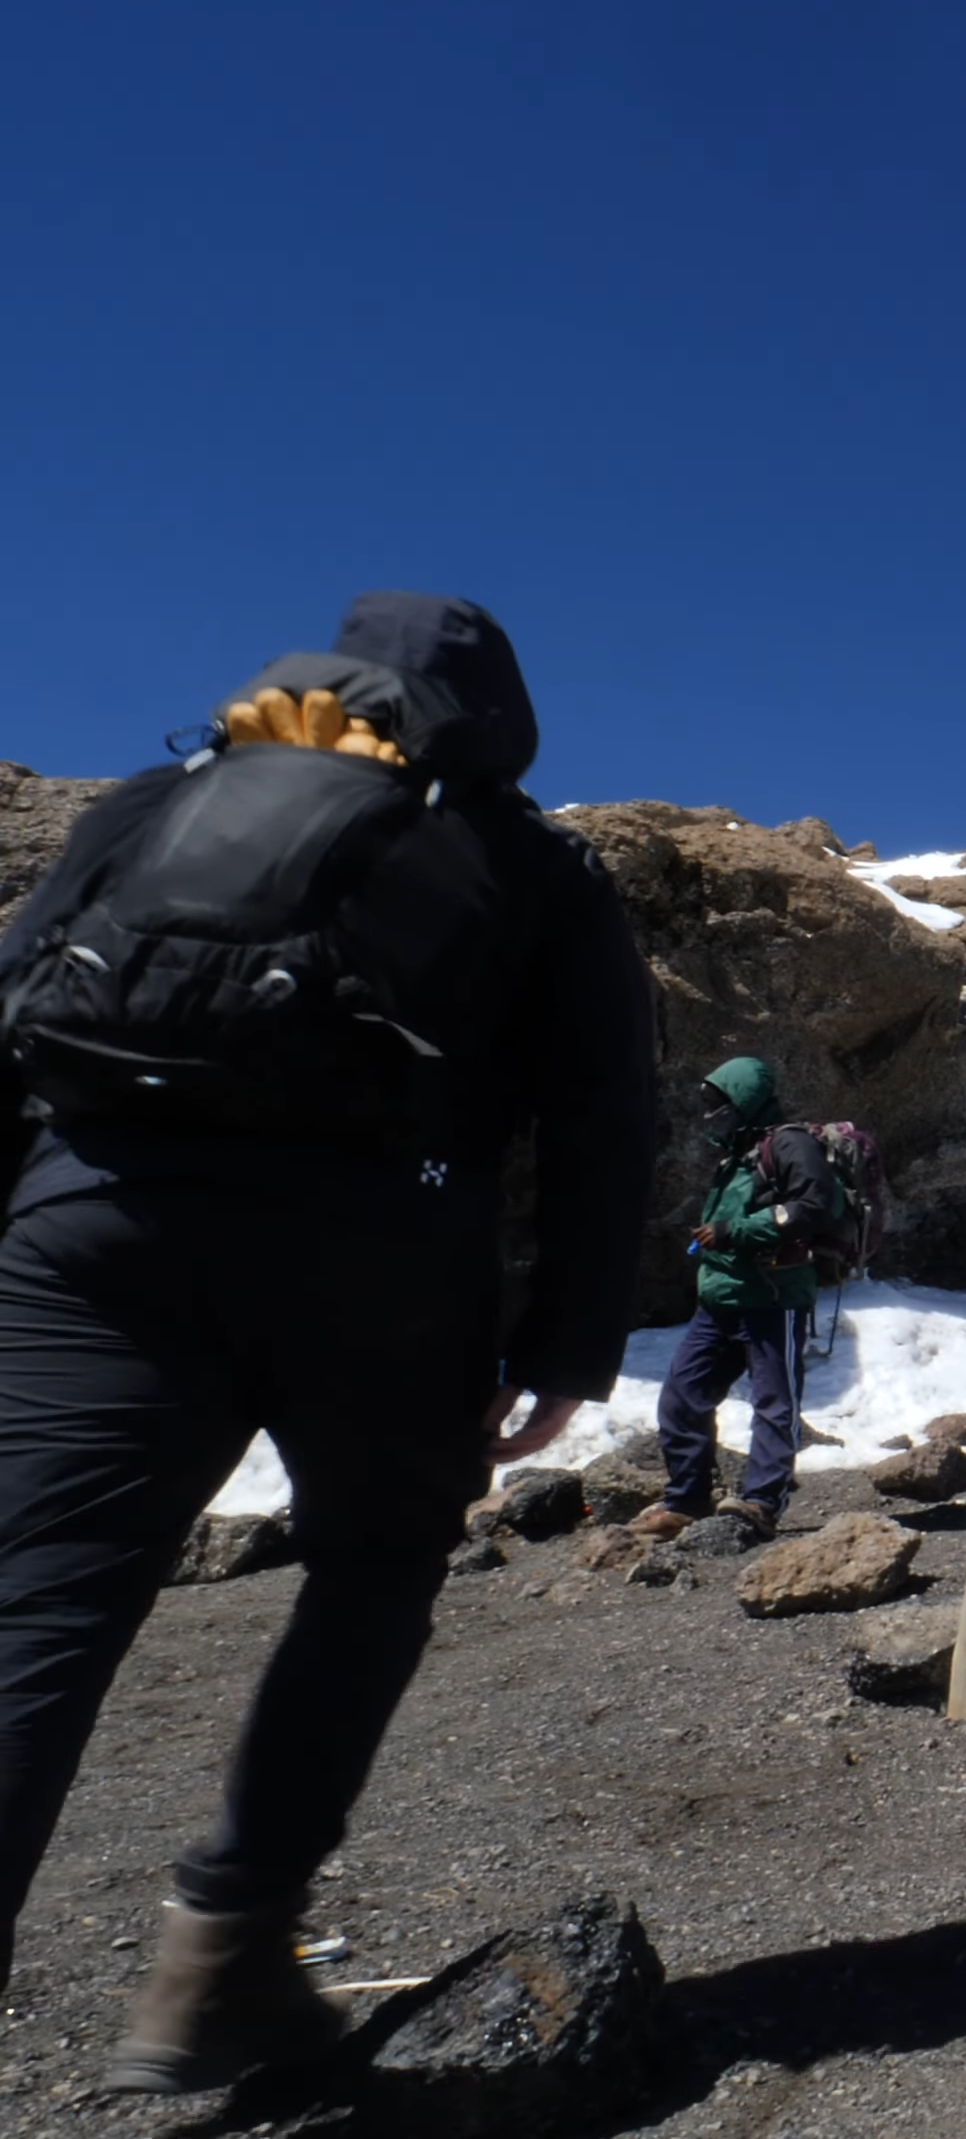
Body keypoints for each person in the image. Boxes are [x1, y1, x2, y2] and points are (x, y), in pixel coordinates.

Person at [0, 594, 656, 2091]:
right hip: (382, 1261)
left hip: (90, 1236)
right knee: (373, 1570)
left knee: (28, 1622)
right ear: (497, 717)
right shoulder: (530, 859)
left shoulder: (157, 802)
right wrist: (568, 1342)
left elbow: (15, 1004)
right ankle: (220, 1961)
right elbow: (602, 1113)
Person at [632, 1056, 831, 1540]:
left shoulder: (789, 1143)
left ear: (744, 1100)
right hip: (721, 1300)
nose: (710, 1114)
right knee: (682, 1396)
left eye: (718, 1104)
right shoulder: (739, 1152)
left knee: (774, 1403)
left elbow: (813, 1205)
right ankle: (687, 1500)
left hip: (773, 1297)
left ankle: (761, 1503)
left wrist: (735, 1230)